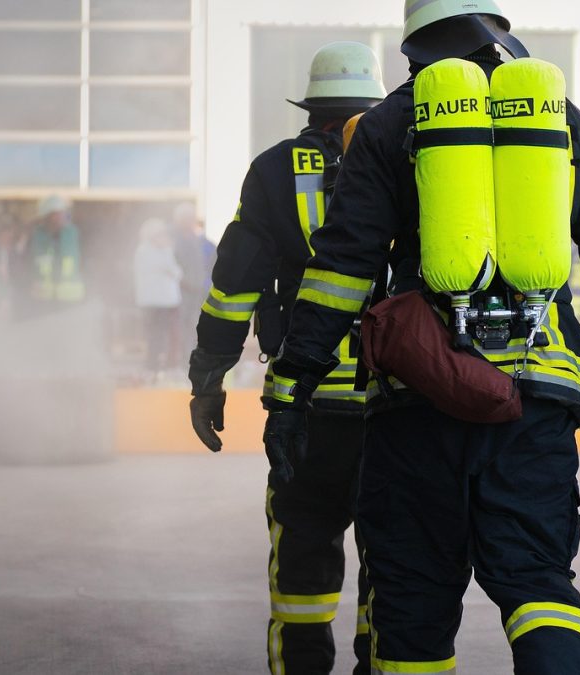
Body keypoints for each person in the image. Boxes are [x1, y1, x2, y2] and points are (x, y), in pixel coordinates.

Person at [250, 2, 580, 672]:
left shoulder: (388, 125)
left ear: (413, 46)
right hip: (536, 395)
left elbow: (343, 268)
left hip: (420, 396)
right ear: (496, 30)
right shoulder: (565, 124)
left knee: (412, 598)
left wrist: (293, 384)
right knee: (538, 584)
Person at [187, 41, 386, 675]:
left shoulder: (273, 170)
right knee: (396, 557)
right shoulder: (408, 160)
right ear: (372, 105)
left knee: (302, 551)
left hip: (308, 403)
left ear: (312, 106)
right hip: (399, 403)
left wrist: (208, 378)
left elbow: (235, 287)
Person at [135, 217, 183, 378]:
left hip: (167, 302)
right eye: (160, 234)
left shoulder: (164, 251)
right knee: (155, 336)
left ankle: (164, 366)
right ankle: (152, 367)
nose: (165, 238)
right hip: (155, 303)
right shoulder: (145, 252)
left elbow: (177, 273)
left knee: (166, 336)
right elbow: (172, 270)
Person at [23, 195, 85, 318]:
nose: (61, 217)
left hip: (71, 301)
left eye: (63, 213)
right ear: (47, 216)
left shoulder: (73, 234)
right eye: (57, 214)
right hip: (43, 302)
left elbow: (86, 262)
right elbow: (26, 265)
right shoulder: (36, 237)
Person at [171, 202, 210, 363]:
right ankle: (180, 362)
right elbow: (172, 264)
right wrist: (183, 281)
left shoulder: (195, 239)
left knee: (194, 327)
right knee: (179, 328)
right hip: (182, 291)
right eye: (188, 218)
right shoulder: (175, 239)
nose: (191, 221)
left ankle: (191, 360)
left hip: (196, 290)